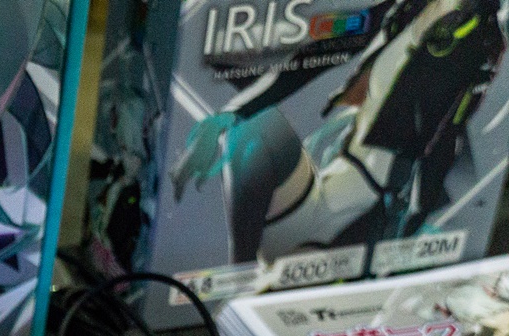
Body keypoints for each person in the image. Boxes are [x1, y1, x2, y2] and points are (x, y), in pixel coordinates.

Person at [172, 0, 507, 264]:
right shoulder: (404, 8)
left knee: (253, 135)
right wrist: (226, 117)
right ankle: (237, 284)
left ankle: (237, 285)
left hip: (366, 207)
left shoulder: (481, 41)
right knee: (250, 131)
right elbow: (321, 51)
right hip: (326, 185)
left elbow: (447, 137)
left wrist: (404, 235)